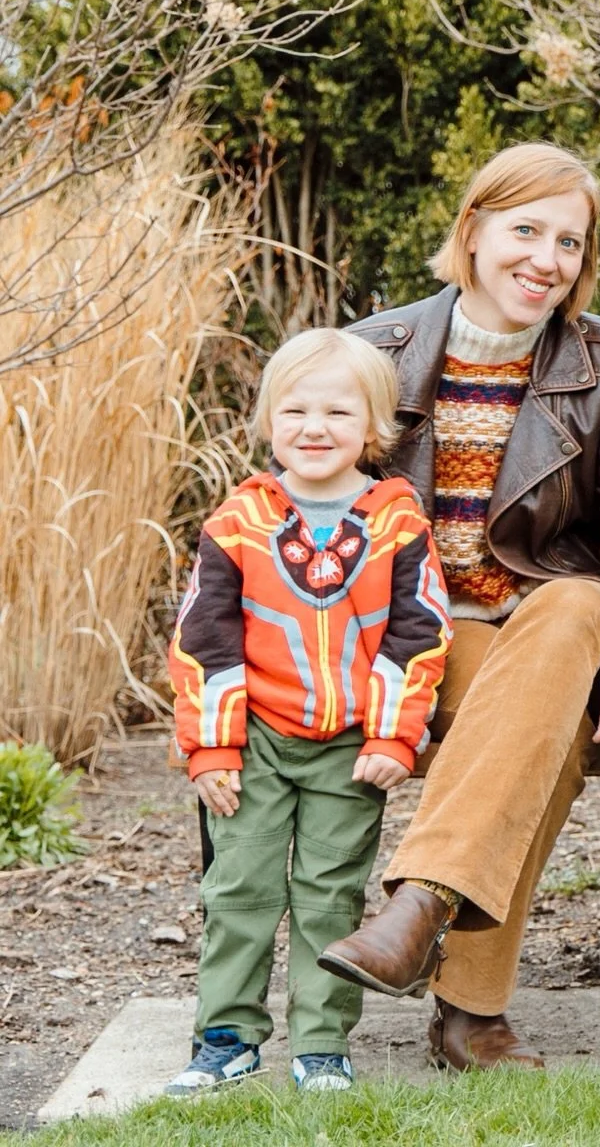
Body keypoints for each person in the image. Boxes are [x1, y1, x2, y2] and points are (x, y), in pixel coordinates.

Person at [316, 143, 600, 1073]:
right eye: (526, 230)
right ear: (474, 231)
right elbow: (302, 500)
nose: (547, 260)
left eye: (570, 241)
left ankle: (416, 908)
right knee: (552, 720)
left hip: (528, 629)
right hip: (404, 641)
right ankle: (468, 1011)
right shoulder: (375, 352)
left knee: (572, 608)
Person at [166, 328, 450, 1096]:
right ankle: (226, 1035)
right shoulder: (238, 522)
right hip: (254, 738)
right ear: (267, 421)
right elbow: (205, 639)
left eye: (337, 411)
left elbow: (419, 631)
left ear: (373, 427)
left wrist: (396, 733)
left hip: (350, 746)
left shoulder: (396, 522)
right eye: (294, 410)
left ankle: (321, 1042)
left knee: (331, 893)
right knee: (240, 890)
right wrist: (214, 748)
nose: (314, 428)